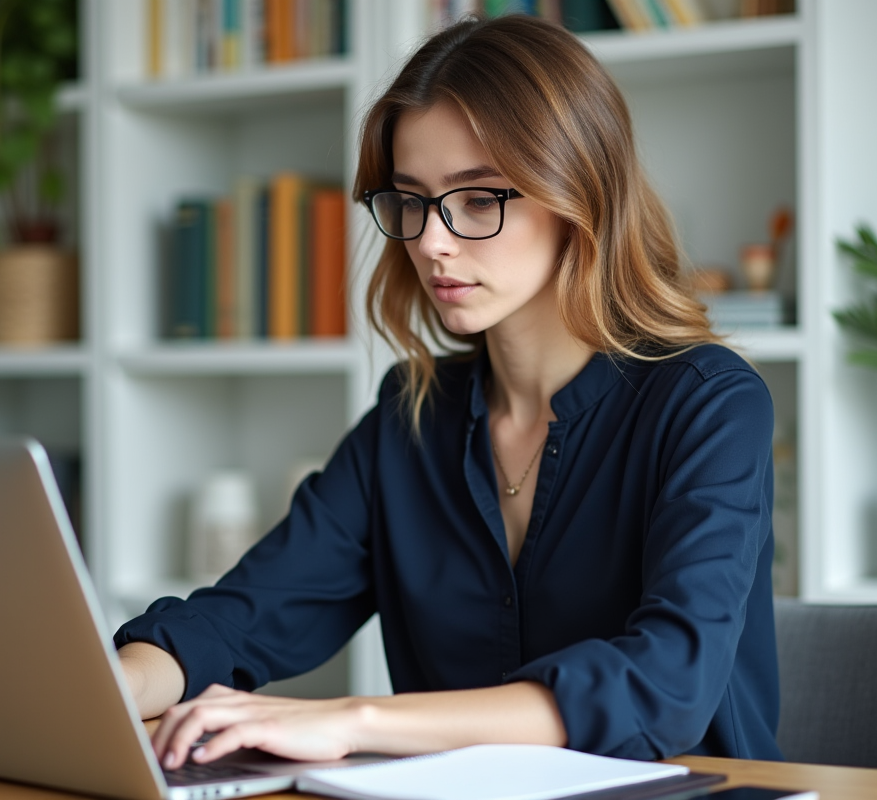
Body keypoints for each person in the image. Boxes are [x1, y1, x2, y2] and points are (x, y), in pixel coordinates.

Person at [115, 13, 781, 770]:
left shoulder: (708, 403)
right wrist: (110, 686)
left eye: (477, 198)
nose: (432, 241)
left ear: (579, 194)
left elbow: (665, 685)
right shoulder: (413, 416)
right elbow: (245, 617)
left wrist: (354, 719)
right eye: (411, 200)